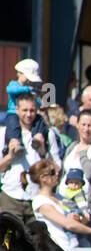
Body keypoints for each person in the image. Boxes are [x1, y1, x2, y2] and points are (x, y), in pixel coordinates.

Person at [0, 93, 59, 221]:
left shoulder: (47, 135)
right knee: (9, 239)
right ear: (17, 110)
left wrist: (43, 150)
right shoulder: (4, 134)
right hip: (11, 195)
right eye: (24, 110)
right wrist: (10, 156)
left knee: (36, 239)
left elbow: (57, 168)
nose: (28, 114)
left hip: (38, 197)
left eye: (32, 110)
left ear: (37, 110)